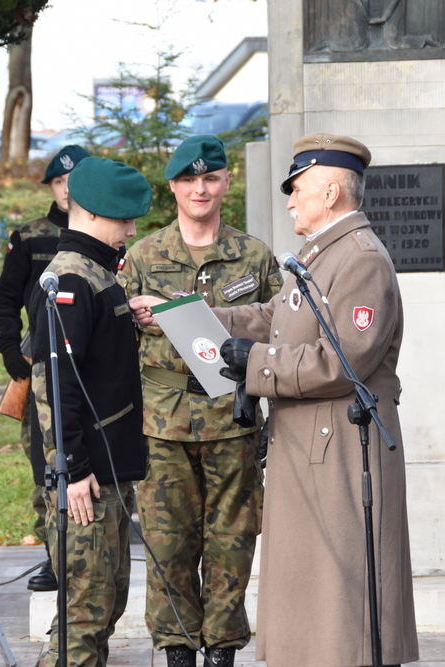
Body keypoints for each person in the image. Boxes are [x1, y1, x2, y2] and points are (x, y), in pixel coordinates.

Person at [131, 132, 419, 667]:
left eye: (298, 188)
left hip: (336, 446)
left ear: (330, 192)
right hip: (310, 444)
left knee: (342, 600)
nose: (289, 200)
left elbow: (341, 363)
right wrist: (181, 314)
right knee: (318, 596)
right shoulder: (320, 254)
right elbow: (270, 319)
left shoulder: (359, 260)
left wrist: (251, 362)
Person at [117, 135, 282, 667]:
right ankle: (177, 650)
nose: (200, 189)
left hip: (231, 420)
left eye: (210, 178)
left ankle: (222, 650)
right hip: (162, 422)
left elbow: (281, 330)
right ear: (173, 187)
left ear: (226, 182)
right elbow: (117, 343)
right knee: (168, 544)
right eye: (189, 180)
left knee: (231, 541)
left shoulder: (253, 256)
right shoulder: (142, 257)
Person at [30, 156, 151, 667]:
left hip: (107, 471)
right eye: (124, 219)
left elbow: (97, 364)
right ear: (97, 215)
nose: (131, 228)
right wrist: (72, 469)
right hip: (85, 479)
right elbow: (55, 384)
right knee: (84, 612)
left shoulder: (97, 273)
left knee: (104, 605)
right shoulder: (72, 280)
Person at [0, 144, 89, 591]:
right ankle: (54, 555)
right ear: (51, 186)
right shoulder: (30, 236)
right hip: (40, 362)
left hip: (91, 364)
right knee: (44, 464)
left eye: (76, 179)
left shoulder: (105, 232)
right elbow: (5, 297)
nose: (68, 190)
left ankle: (94, 551)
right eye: (59, 182)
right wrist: (11, 350)